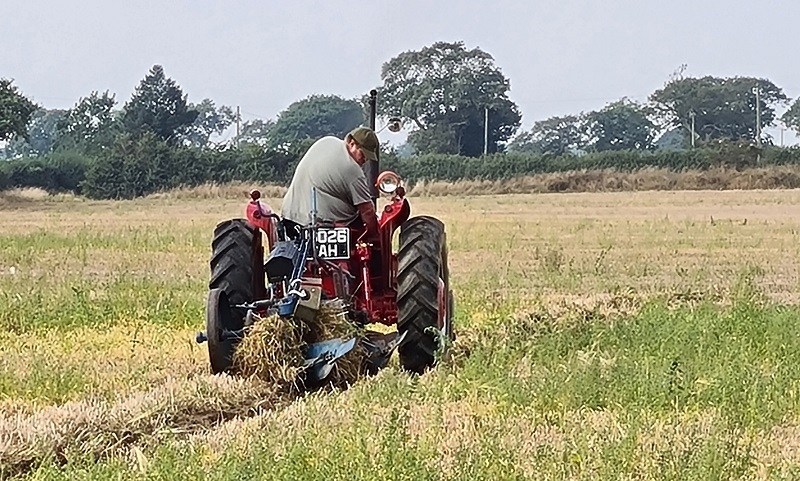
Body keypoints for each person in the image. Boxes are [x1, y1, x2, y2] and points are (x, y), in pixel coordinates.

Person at [281, 126, 380, 240]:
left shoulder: (326, 142)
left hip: (290, 219)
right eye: (363, 155)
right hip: (324, 229)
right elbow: (367, 210)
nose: (365, 160)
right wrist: (374, 236)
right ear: (352, 143)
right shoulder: (353, 170)